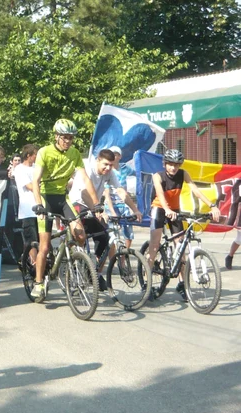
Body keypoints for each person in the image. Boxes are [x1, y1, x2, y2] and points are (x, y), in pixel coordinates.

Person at [31, 119, 99, 302]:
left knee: (81, 235)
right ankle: (38, 283)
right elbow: (36, 180)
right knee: (44, 246)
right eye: (65, 137)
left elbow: (85, 178)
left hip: (62, 198)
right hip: (45, 198)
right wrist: (38, 204)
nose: (68, 141)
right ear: (57, 136)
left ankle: (74, 262)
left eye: (71, 138)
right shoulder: (45, 152)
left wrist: (96, 203)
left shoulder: (75, 153)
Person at [147, 149, 220, 300]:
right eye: (170, 164)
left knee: (180, 247)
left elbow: (195, 190)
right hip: (159, 208)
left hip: (174, 210)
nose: (173, 168)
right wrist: (166, 209)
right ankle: (147, 283)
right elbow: (160, 194)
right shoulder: (157, 176)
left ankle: (182, 283)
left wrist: (212, 206)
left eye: (176, 165)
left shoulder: (183, 174)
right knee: (154, 246)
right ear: (165, 164)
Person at [70, 149, 143, 288]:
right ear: (98, 160)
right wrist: (97, 209)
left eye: (111, 165)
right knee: (81, 236)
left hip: (95, 206)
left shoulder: (110, 173)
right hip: (79, 203)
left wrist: (135, 209)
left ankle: (95, 272)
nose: (108, 168)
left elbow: (120, 191)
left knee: (104, 238)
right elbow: (84, 193)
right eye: (105, 164)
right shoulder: (87, 170)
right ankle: (76, 262)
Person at [13, 144, 38, 264]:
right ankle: (33, 263)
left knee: (42, 239)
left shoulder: (36, 168)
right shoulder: (19, 169)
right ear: (28, 155)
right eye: (35, 155)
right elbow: (30, 186)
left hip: (40, 207)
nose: (37, 157)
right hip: (28, 209)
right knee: (31, 240)